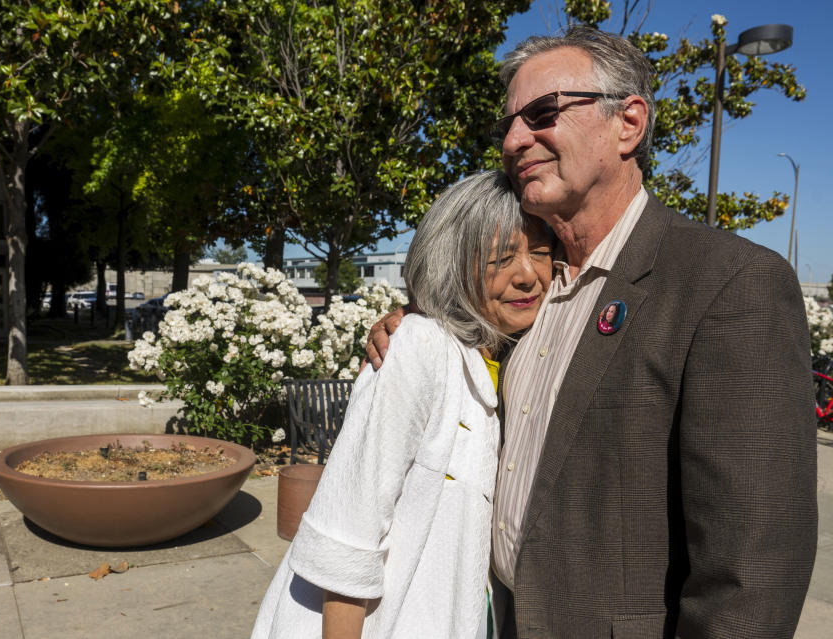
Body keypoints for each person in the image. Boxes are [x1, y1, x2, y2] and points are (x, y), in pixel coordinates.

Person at [366, 26, 816, 638]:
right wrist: (413, 326)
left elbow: (752, 575)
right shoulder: (529, 290)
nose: (515, 139)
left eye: (543, 113)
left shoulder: (732, 283)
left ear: (628, 123)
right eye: (508, 125)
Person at [251, 170, 554, 639]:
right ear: (452, 265)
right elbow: (348, 531)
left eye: (540, 251)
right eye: (501, 257)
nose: (528, 274)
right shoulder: (419, 346)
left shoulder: (508, 357)